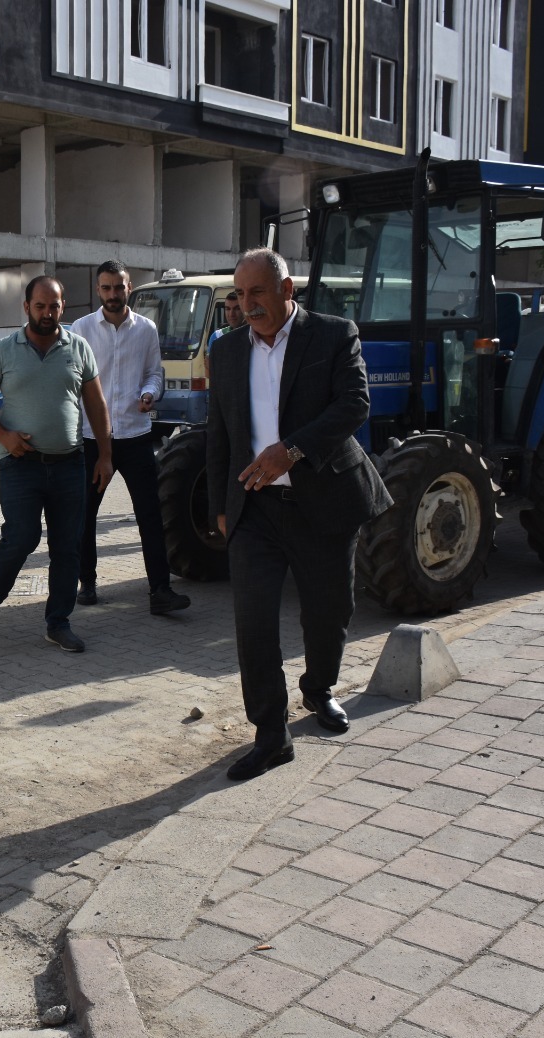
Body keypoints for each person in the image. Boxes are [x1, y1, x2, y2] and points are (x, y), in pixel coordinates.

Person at [206, 248, 392, 781]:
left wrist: (291, 450)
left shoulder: (333, 334)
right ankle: (270, 735)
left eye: (257, 293)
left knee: (328, 610)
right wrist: (220, 506)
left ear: (287, 290)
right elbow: (220, 433)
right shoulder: (227, 351)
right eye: (239, 295)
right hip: (255, 509)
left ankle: (320, 689)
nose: (247, 305)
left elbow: (354, 405)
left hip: (324, 500)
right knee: (254, 623)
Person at [0, 276, 114, 653]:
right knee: (23, 536)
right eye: (40, 306)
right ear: (27, 307)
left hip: (69, 465)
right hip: (21, 464)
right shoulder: (5, 350)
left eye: (54, 306)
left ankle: (58, 622)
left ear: (63, 307)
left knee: (67, 546)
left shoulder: (78, 347)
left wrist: (106, 456)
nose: (47, 313)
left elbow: (96, 406)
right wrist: (4, 437)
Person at [72, 261, 191, 616]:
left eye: (118, 288)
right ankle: (87, 583)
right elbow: (73, 380)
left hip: (137, 437)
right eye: (106, 288)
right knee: (85, 515)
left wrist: (150, 394)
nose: (112, 295)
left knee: (150, 515)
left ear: (129, 287)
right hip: (94, 439)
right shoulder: (81, 330)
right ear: (97, 290)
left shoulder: (146, 329)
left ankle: (160, 590)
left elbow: (156, 373)